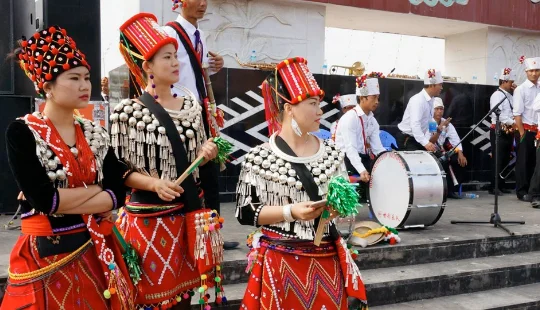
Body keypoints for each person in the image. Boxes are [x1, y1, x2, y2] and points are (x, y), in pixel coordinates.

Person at [1, 26, 133, 310]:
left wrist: (72, 198)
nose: (85, 85)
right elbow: (45, 200)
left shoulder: (93, 132)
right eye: (74, 78)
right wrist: (98, 191)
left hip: (94, 249)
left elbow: (119, 194)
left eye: (86, 77)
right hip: (46, 253)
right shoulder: (23, 132)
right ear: (47, 86)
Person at [235, 57, 368, 309]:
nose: (320, 111)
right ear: (289, 108)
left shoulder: (332, 154)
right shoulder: (258, 158)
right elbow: (245, 213)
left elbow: (345, 205)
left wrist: (338, 209)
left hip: (326, 259)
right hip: (279, 262)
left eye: (319, 103)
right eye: (313, 104)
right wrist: (291, 212)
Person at [113, 13, 224, 309]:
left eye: (175, 56)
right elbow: (118, 172)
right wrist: (153, 183)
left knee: (184, 298)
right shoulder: (126, 113)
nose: (175, 62)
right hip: (148, 223)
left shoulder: (191, 106)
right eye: (166, 57)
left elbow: (196, 159)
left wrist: (207, 153)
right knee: (151, 300)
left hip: (187, 218)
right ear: (147, 66)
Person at [163, 0, 238, 250]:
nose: (203, 3)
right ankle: (186, 236)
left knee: (210, 176)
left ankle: (213, 233)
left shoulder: (200, 35)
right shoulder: (169, 32)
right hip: (179, 115)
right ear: (179, 2)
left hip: (202, 115)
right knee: (188, 174)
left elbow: (198, 72)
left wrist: (216, 68)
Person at [334, 73, 386, 200]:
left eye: (378, 98)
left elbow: (377, 148)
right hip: (345, 160)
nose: (377, 102)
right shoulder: (350, 118)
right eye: (374, 98)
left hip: (362, 157)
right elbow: (350, 149)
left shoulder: (372, 121)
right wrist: (362, 170)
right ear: (362, 98)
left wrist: (389, 160)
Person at [513, 57, 540, 202]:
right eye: (531, 71)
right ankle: (521, 190)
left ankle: (532, 190)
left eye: (537, 70)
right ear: (526, 72)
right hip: (525, 129)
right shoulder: (520, 89)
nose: (534, 74)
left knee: (535, 162)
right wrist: (522, 133)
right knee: (523, 161)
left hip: (538, 130)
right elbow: (517, 113)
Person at [397, 69, 444, 151]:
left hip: (418, 138)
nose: (441, 88)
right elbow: (415, 125)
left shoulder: (431, 99)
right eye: (440, 85)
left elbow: (429, 119)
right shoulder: (418, 100)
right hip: (408, 139)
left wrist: (436, 130)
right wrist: (426, 143)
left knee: (438, 157)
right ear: (432, 85)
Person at [432, 98, 467, 199]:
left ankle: (451, 189)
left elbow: (455, 139)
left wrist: (460, 153)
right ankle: (442, 190)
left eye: (441, 109)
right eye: (437, 109)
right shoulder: (429, 122)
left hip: (443, 150)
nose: (439, 111)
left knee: (459, 160)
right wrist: (441, 127)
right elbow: (431, 141)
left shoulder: (447, 123)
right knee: (444, 161)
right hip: (431, 149)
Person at [489, 68, 516, 195]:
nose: (512, 84)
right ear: (504, 81)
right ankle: (494, 186)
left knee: (506, 158)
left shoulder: (510, 95)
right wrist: (514, 123)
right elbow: (498, 113)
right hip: (499, 130)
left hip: (508, 130)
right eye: (511, 82)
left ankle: (502, 184)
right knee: (498, 159)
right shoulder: (496, 95)